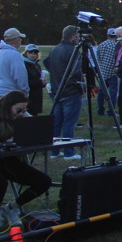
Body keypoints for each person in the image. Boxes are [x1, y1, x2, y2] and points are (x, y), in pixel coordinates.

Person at [0, 91, 53, 227]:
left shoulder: (22, 116)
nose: (21, 114)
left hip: (8, 160)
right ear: (7, 106)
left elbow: (35, 129)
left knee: (43, 181)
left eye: (24, 110)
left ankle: (12, 207)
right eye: (19, 110)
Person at [44, 25, 84, 158]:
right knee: (69, 123)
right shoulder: (73, 50)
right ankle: (69, 152)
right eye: (78, 36)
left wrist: (56, 73)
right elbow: (76, 71)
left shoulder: (55, 49)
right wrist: (81, 87)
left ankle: (54, 151)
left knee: (57, 123)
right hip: (70, 90)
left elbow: (46, 61)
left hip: (57, 90)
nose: (79, 39)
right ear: (73, 37)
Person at [0, 28, 29, 100]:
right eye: (20, 38)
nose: (20, 41)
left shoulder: (0, 52)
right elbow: (20, 76)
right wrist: (25, 92)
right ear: (16, 39)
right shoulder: (15, 55)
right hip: (10, 93)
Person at [96, 28, 119, 117]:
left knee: (101, 92)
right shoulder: (116, 45)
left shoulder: (101, 45)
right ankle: (111, 111)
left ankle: (100, 110)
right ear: (115, 36)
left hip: (102, 72)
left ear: (107, 35)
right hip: (112, 72)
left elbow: (98, 58)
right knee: (113, 93)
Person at [21, 45, 46, 115]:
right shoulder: (23, 65)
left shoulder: (37, 65)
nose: (33, 54)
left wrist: (43, 82)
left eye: (35, 52)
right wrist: (40, 82)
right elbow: (24, 82)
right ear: (26, 53)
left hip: (37, 96)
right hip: (29, 96)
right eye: (30, 52)